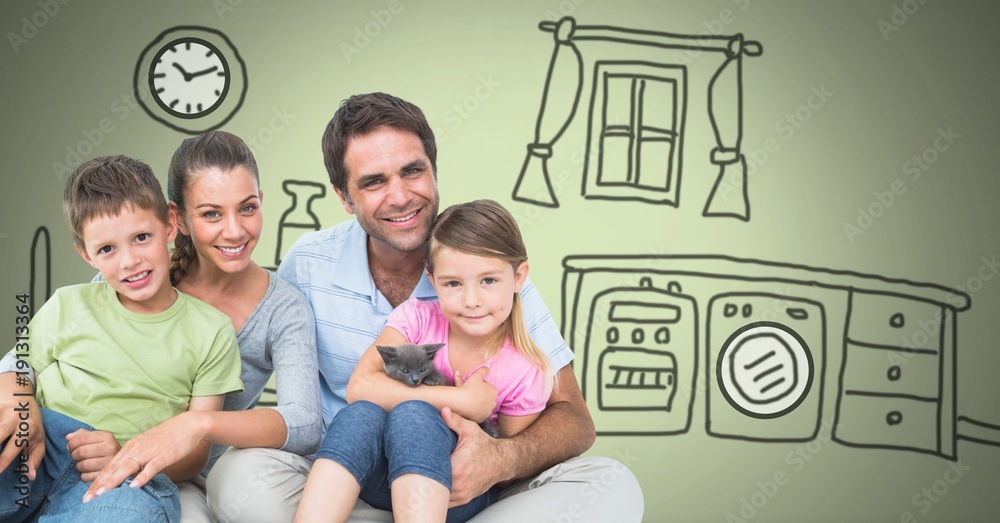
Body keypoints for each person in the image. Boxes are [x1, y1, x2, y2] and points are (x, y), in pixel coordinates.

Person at [257, 92, 642, 521]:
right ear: (345, 197)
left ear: (434, 171)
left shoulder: (491, 274)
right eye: (373, 181)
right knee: (241, 476)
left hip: (464, 487)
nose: (400, 196)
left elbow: (573, 418)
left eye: (412, 171)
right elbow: (317, 389)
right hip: (352, 487)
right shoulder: (308, 263)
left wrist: (500, 459)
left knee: (612, 484)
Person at [77, 131, 323, 522]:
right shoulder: (138, 274)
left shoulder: (283, 308)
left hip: (198, 480)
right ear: (178, 219)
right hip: (102, 457)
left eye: (247, 208)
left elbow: (305, 422)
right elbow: (25, 359)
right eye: (211, 214)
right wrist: (16, 397)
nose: (235, 231)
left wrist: (197, 425)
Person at [0, 155, 243, 522]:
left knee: (131, 514)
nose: (129, 260)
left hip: (123, 476)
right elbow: (18, 369)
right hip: (43, 443)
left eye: (141, 237)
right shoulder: (68, 303)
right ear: (87, 255)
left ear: (171, 225)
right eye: (107, 249)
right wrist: (22, 404)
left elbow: (195, 454)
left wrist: (128, 453)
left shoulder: (212, 331)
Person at [296, 200, 555, 522]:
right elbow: (360, 387)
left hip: (459, 488)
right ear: (433, 280)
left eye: (489, 280)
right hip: (383, 479)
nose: (471, 301)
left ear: (519, 278)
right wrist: (462, 400)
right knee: (361, 413)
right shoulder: (416, 317)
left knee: (415, 413)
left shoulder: (527, 370)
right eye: (453, 283)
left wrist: (477, 440)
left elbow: (510, 466)